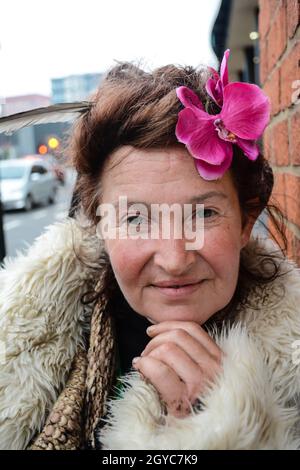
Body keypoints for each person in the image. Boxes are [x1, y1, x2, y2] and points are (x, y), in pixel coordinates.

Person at [0, 50, 300, 450]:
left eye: (203, 213)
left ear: (246, 221)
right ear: (99, 226)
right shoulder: (13, 350)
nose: (174, 260)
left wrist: (237, 430)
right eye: (135, 219)